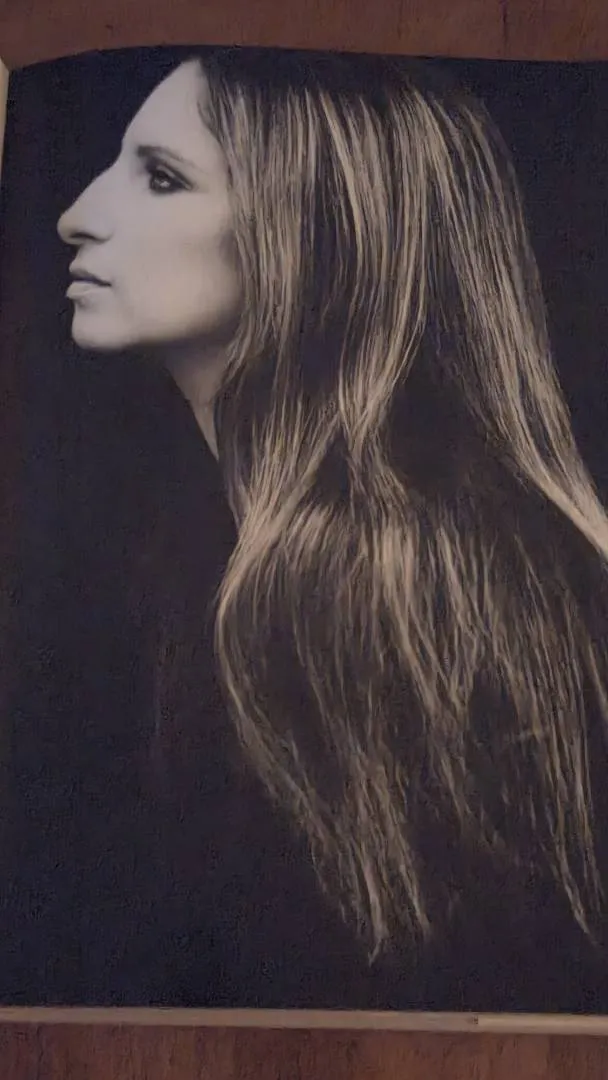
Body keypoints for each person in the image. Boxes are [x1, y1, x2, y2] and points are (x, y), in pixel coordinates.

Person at [6, 46, 608, 1012]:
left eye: (161, 178)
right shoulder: (217, 551)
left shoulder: (381, 586)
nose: (77, 213)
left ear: (314, 231)